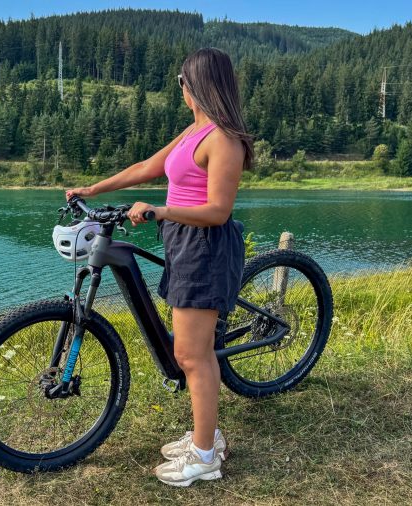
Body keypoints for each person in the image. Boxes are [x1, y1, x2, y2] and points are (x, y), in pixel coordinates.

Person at [65, 47, 252, 487]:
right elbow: (149, 167)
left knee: (191, 354)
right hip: (183, 243)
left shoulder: (224, 139)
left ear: (196, 85)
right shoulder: (194, 131)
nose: (181, 91)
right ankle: (206, 435)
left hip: (205, 246)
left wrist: (162, 212)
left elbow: (218, 211)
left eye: (182, 82)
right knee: (191, 348)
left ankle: (206, 455)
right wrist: (92, 187)